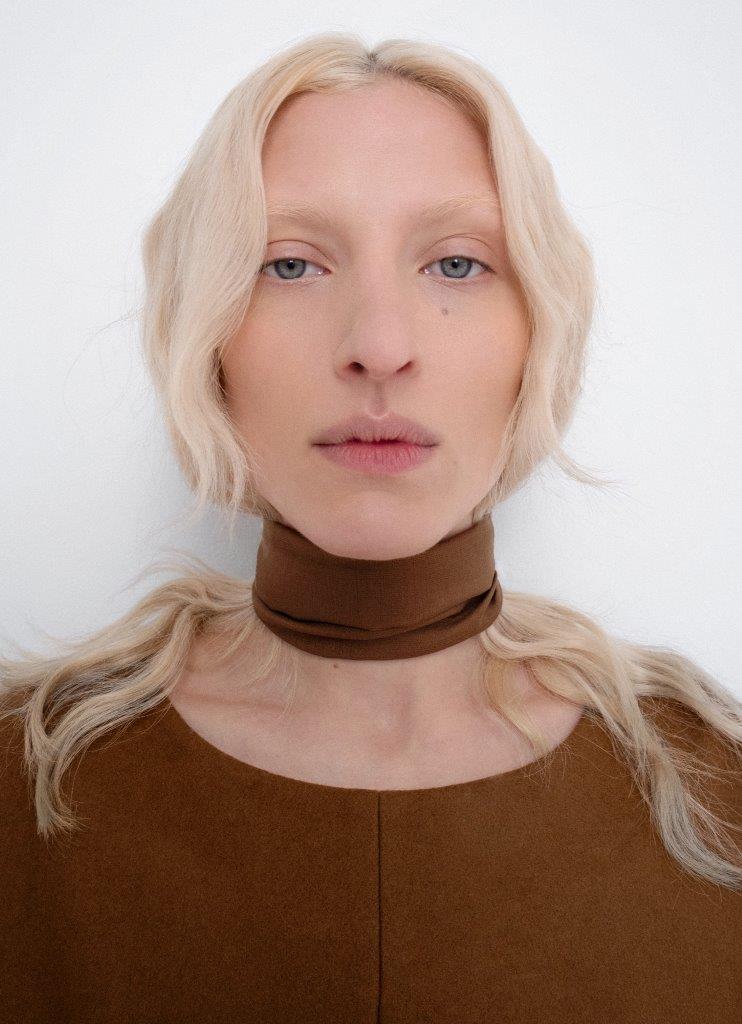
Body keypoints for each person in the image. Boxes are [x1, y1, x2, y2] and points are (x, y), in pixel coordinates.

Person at [1, 31, 740, 1024]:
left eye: (457, 263)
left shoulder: (720, 791)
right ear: (205, 334)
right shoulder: (19, 786)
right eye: (290, 265)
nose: (380, 346)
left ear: (539, 330)